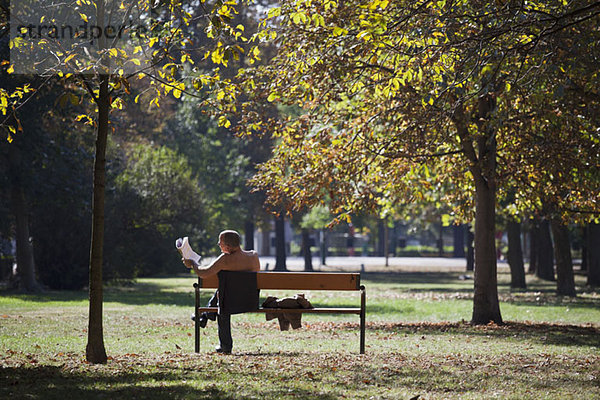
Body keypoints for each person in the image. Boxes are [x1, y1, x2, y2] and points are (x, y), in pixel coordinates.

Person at [182, 230, 260, 354]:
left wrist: (192, 263)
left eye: (220, 242)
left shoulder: (225, 259)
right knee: (225, 290)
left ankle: (224, 344)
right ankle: (204, 316)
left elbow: (203, 273)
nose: (218, 244)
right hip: (250, 300)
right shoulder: (253, 256)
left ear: (227, 246)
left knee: (223, 299)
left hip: (229, 302)